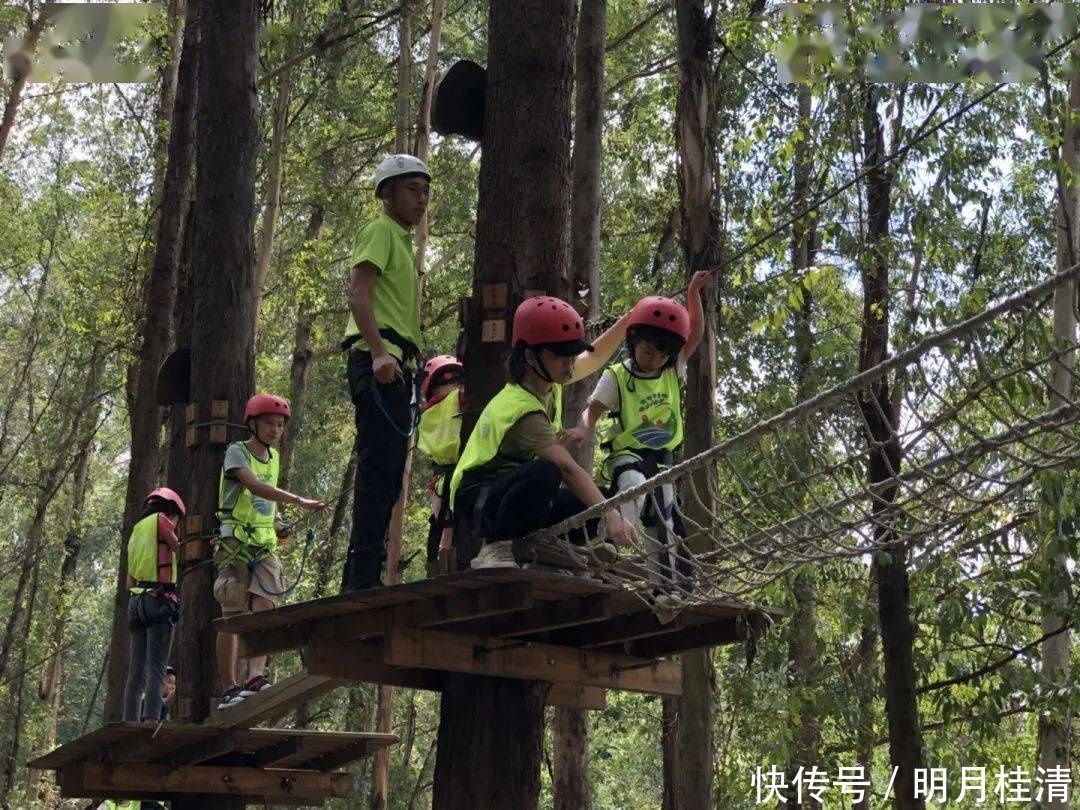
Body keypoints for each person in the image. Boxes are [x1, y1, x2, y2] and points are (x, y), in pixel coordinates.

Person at [448, 296, 638, 569]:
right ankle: (495, 547)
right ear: (529, 356)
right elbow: (567, 468)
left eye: (572, 354)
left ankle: (544, 551)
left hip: (512, 493)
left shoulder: (548, 379)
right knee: (548, 473)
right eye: (562, 356)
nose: (570, 363)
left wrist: (629, 318)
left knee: (597, 496)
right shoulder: (521, 407)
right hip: (481, 498)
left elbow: (593, 357)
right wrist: (609, 513)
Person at [562, 271, 712, 600]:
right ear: (633, 343)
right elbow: (594, 410)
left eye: (661, 354)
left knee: (665, 520)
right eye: (648, 351)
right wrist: (582, 428)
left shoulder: (673, 370)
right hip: (628, 453)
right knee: (631, 485)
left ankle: (666, 590)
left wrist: (693, 293)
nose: (654, 359)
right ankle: (609, 543)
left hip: (663, 461)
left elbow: (695, 334)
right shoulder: (618, 376)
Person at [341, 154, 431, 592]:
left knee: (389, 473)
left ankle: (363, 574)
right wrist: (378, 353)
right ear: (387, 193)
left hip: (398, 365)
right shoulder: (379, 231)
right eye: (412, 189)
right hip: (379, 361)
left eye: (425, 191)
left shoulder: (402, 241)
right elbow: (359, 294)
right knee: (379, 471)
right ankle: (362, 580)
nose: (422, 199)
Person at [214, 394, 327, 710]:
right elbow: (253, 487)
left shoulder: (274, 458)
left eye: (280, 425)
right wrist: (301, 501)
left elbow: (267, 502)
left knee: (266, 606)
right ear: (253, 424)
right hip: (234, 541)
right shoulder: (237, 452)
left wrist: (278, 523)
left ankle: (255, 676)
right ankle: (229, 687)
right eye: (269, 423)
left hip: (264, 543)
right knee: (232, 613)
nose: (276, 430)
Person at [122, 487, 185, 722]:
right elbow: (181, 550)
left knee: (136, 669)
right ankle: (150, 720)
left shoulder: (136, 531)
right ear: (173, 512)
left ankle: (129, 720)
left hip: (136, 601)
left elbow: (129, 579)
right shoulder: (162, 521)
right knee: (157, 667)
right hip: (158, 600)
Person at [416, 354, 464, 575]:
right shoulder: (461, 399)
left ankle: (440, 566)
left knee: (444, 527)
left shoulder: (425, 414)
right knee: (456, 528)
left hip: (440, 480)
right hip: (463, 473)